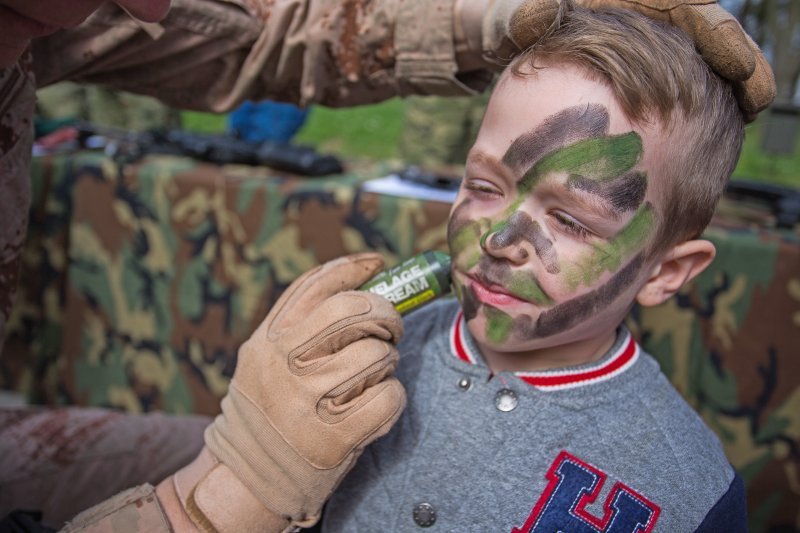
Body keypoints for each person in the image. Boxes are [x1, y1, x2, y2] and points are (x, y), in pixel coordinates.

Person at [0, 0, 775, 531]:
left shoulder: (688, 490)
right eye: (481, 184)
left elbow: (270, 33)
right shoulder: (358, 367)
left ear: (673, 271)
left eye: (570, 217)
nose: (500, 233)